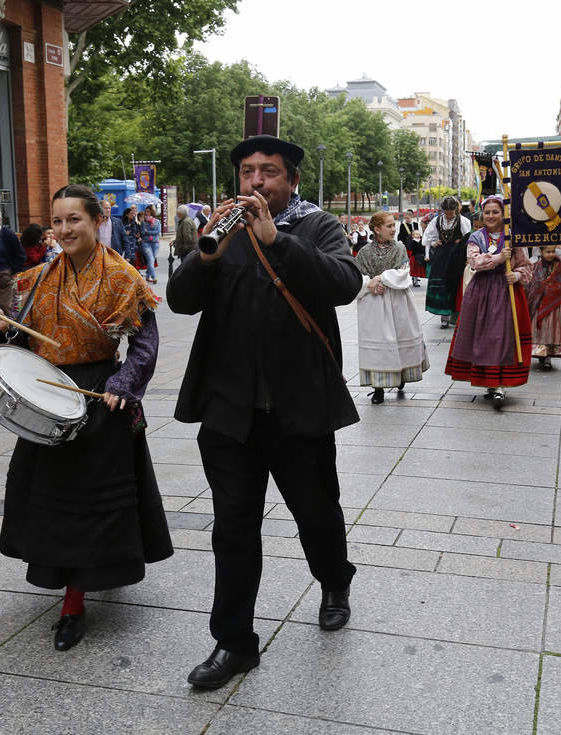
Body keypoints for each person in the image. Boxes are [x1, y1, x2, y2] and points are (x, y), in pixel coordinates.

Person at [167, 134, 360, 691]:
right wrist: (208, 253)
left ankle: (334, 579)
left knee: (316, 512)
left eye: (269, 172)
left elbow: (344, 284)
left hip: (299, 409)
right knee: (232, 529)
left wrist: (276, 241)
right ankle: (234, 643)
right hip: (229, 411)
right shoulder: (222, 231)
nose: (257, 181)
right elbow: (180, 299)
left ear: (291, 181)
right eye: (249, 171)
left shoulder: (317, 226)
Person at [0, 184, 172, 652]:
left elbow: (144, 346)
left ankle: (74, 603)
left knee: (90, 503)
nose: (64, 230)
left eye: (74, 220)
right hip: (48, 394)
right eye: (58, 221)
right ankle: (70, 580)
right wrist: (3, 328)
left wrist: (121, 387)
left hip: (98, 397)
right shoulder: (40, 278)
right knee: (52, 499)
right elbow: (22, 346)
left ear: (97, 221)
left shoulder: (123, 278)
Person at [445, 194, 532, 407]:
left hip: (506, 292)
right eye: (487, 212)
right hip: (481, 293)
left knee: (501, 337)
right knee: (483, 337)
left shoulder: (513, 237)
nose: (491, 216)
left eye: (496, 212)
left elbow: (526, 266)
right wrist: (500, 258)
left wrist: (517, 276)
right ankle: (489, 382)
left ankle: (500, 383)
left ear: (504, 214)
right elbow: (474, 261)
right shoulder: (476, 237)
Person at [355, 211, 428, 404]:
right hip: (374, 303)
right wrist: (369, 283)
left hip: (397, 300)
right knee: (378, 343)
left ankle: (400, 375)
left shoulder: (399, 248)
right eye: (389, 226)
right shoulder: (364, 252)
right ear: (377, 229)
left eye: (393, 225)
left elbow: (403, 273)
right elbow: (356, 276)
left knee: (399, 338)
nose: (393, 229)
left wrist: (380, 278)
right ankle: (378, 387)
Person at [422, 196, 471, 327]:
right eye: (447, 213)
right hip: (441, 256)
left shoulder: (463, 221)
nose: (449, 215)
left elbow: (469, 239)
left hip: (457, 257)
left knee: (454, 284)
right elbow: (427, 237)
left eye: (452, 212)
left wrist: (462, 245)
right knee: (441, 285)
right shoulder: (436, 220)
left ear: (456, 209)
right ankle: (444, 317)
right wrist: (433, 242)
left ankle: (455, 315)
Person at [526, 244, 561, 369]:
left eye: (553, 251)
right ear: (540, 251)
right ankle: (540, 353)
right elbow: (530, 284)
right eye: (548, 251)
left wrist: (549, 288)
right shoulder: (535, 265)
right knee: (540, 330)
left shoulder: (559, 266)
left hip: (554, 306)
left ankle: (548, 356)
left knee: (551, 331)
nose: (551, 254)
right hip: (539, 304)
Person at [397, 209, 423, 287]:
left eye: (408, 218)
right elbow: (400, 235)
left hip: (415, 246)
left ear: (411, 217)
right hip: (407, 246)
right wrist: (401, 242)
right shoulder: (403, 225)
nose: (407, 219)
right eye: (406, 217)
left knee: (415, 263)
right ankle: (407, 277)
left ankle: (415, 278)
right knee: (407, 263)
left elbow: (418, 233)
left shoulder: (415, 224)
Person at [139, 205, 161, 283]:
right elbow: (142, 233)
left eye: (148, 211)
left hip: (155, 243)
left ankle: (148, 275)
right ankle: (153, 277)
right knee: (150, 259)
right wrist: (145, 230)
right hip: (146, 243)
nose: (146, 213)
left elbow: (157, 232)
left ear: (151, 212)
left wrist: (147, 232)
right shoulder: (143, 222)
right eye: (146, 212)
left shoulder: (157, 221)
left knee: (151, 260)